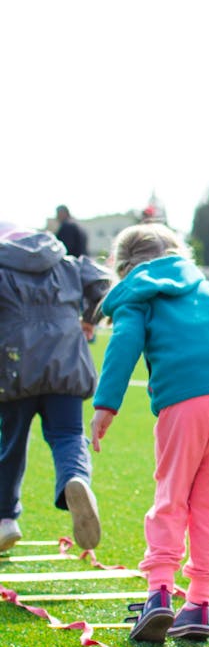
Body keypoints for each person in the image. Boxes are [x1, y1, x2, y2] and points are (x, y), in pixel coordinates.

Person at [90, 224, 209, 643]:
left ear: (124, 268)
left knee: (171, 496)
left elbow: (125, 343)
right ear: (179, 253)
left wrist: (106, 405)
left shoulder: (140, 296)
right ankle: (199, 605)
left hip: (184, 403)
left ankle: (158, 594)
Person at [0, 223, 108, 552]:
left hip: (16, 365)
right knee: (68, 435)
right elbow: (103, 285)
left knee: (11, 443)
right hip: (67, 362)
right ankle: (75, 480)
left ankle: (4, 519)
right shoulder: (67, 263)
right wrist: (90, 317)